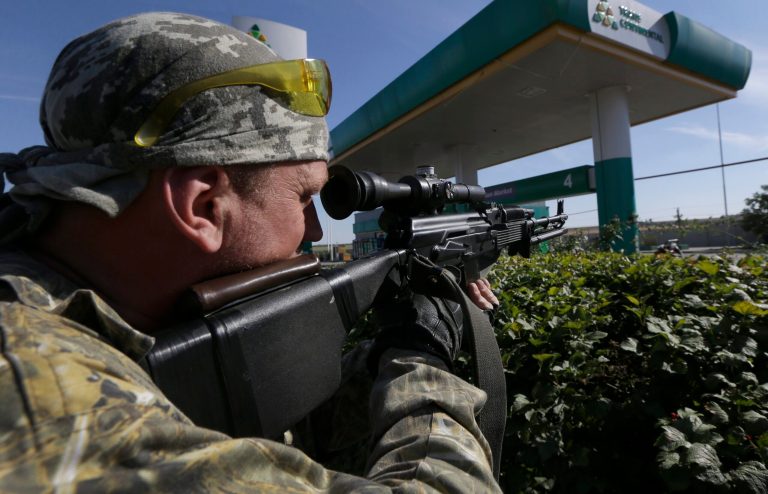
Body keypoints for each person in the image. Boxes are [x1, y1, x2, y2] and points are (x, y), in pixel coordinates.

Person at [0, 12, 502, 492]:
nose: (313, 227)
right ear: (203, 205)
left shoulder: (93, 316)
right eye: (303, 197)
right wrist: (425, 362)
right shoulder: (52, 407)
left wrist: (391, 349)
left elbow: (265, 426)